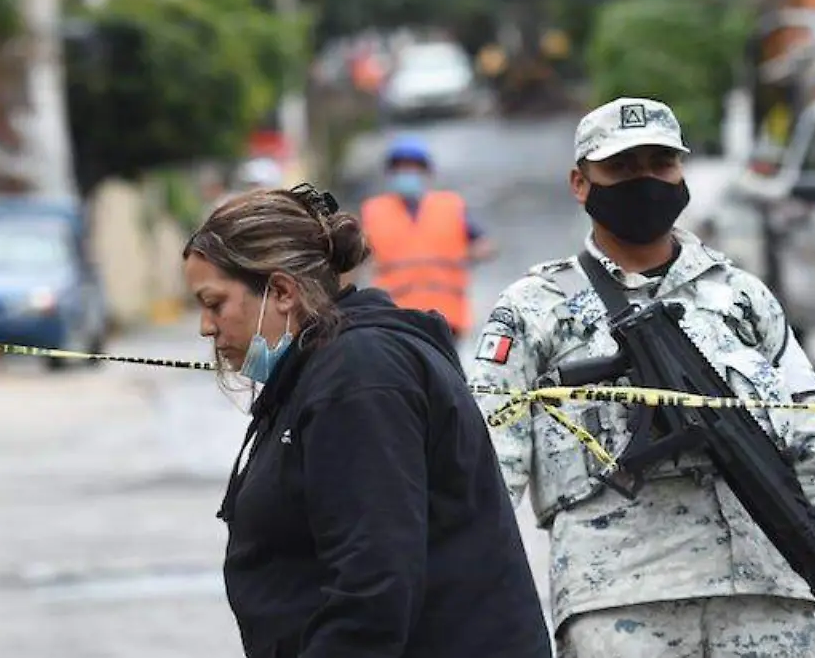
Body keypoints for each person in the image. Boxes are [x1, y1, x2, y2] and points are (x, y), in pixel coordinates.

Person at [467, 97, 815, 658]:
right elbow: (486, 469)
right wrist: (466, 598)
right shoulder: (535, 309)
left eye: (660, 164)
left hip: (766, 591)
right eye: (621, 167)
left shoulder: (741, 297)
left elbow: (811, 432)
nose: (645, 181)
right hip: (618, 601)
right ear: (580, 182)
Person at [182, 183, 552, 658]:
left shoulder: (360, 376)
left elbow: (372, 586)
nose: (206, 327)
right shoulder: (322, 371)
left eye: (215, 303)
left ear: (281, 291)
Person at [358, 135, 497, 342]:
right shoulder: (374, 211)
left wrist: (466, 256)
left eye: (413, 168)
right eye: (402, 168)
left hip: (446, 317)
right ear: (391, 173)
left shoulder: (450, 206)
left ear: (426, 172)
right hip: (394, 317)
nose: (407, 174)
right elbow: (355, 256)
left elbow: (486, 246)